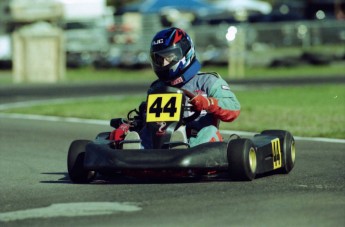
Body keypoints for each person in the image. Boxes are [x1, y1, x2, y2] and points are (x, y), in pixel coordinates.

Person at [112, 27, 241, 149]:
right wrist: (128, 126)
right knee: (143, 131)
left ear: (185, 54)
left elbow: (233, 108)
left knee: (210, 131)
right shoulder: (157, 87)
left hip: (196, 141)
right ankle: (136, 151)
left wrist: (207, 103)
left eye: (169, 57)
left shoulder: (208, 81)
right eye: (159, 59)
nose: (163, 64)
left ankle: (181, 148)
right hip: (160, 140)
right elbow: (146, 120)